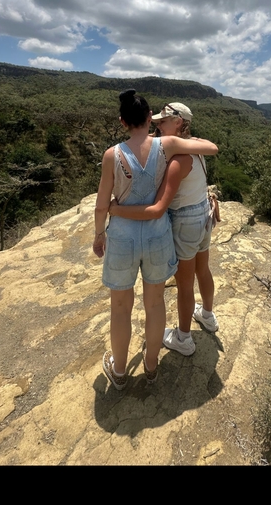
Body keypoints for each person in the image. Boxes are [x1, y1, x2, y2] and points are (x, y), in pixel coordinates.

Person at [93, 90, 218, 390]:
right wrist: (186, 136)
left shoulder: (112, 154)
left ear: (123, 121)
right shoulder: (167, 145)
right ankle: (151, 366)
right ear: (150, 118)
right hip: (157, 234)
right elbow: (210, 148)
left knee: (120, 307)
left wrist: (99, 233)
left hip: (122, 236)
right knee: (155, 303)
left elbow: (101, 204)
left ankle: (119, 371)